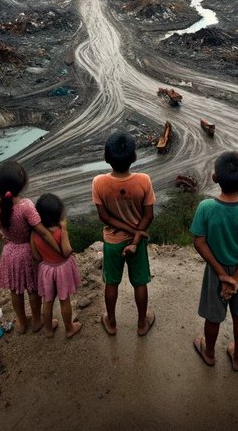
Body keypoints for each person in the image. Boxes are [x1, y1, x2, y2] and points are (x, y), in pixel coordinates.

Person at [189, 151, 238, 371]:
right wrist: (236, 277)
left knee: (213, 318)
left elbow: (199, 242)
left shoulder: (206, 207)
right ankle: (237, 357)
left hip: (215, 271)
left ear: (214, 178)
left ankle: (209, 353)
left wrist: (222, 275)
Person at [0, 160, 60, 334]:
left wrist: (0, 235)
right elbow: (42, 231)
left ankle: (22, 323)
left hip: (9, 253)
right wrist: (57, 247)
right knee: (33, 289)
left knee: (15, 290)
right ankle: (37, 321)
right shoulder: (26, 206)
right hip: (28, 253)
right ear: (22, 184)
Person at [92, 131, 156, 336]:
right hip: (136, 242)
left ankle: (111, 322)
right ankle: (141, 324)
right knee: (140, 282)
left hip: (112, 242)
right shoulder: (144, 180)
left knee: (111, 282)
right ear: (134, 157)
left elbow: (105, 217)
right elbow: (149, 215)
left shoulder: (99, 182)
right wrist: (136, 236)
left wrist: (130, 231)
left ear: (106, 157)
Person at [30, 193, 84, 339]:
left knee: (47, 301)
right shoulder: (60, 232)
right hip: (62, 270)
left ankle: (48, 329)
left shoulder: (34, 234)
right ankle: (69, 328)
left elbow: (36, 256)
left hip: (46, 270)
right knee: (64, 300)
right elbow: (67, 251)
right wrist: (65, 230)